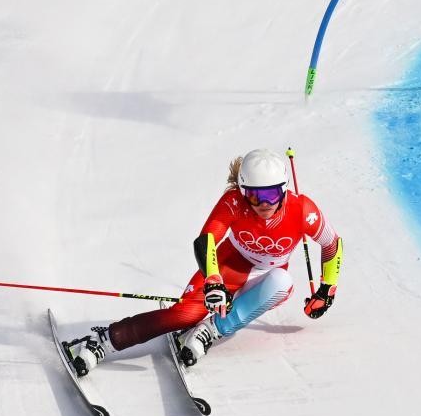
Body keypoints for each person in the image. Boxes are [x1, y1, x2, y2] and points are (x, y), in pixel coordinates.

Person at [63, 148, 342, 375]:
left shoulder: (302, 209)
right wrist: (214, 282)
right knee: (183, 315)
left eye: (271, 193)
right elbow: (206, 239)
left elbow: (332, 243)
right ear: (243, 191)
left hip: (269, 274)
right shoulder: (233, 203)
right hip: (230, 264)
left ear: (284, 189)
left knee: (283, 282)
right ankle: (103, 341)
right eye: (255, 195)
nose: (264, 203)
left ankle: (209, 331)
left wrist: (326, 289)